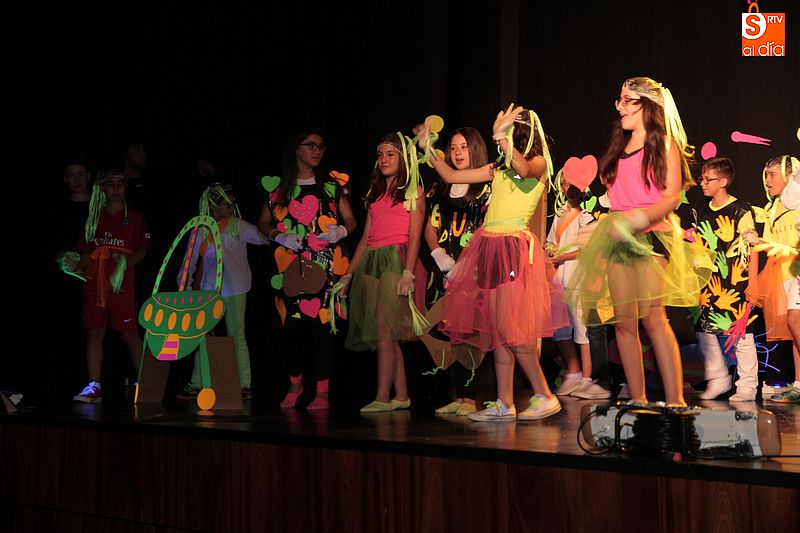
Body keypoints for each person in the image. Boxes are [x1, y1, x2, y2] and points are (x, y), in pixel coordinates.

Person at [567, 77, 710, 406]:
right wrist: (602, 227)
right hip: (619, 241)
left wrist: (636, 219)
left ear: (647, 105)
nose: (620, 107)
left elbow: (670, 197)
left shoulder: (664, 146)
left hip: (651, 236)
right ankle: (639, 400)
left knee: (653, 318)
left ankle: (675, 401)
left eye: (628, 100)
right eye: (619, 100)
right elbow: (617, 201)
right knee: (624, 324)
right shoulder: (618, 150)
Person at [422, 104, 565, 421]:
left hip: (512, 247)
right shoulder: (498, 168)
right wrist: (427, 148)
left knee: (513, 331)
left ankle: (544, 394)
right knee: (498, 332)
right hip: (489, 247)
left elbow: (523, 168)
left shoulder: (538, 163)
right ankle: (504, 403)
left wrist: (501, 137)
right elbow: (451, 175)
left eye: (509, 131)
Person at [258, 130, 356, 410]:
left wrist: (340, 230)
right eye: (310, 145)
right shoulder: (280, 189)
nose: (317, 150)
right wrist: (279, 235)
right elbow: (262, 222)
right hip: (290, 265)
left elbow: (351, 220)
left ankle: (322, 391)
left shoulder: (330, 187)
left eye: (321, 146)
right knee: (292, 328)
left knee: (321, 328)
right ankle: (295, 384)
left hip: (325, 265)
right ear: (296, 148)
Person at [342, 132, 426, 413]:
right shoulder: (374, 193)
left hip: (395, 259)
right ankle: (401, 395)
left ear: (402, 158)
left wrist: (408, 272)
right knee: (385, 333)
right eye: (380, 155)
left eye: (390, 155)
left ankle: (382, 396)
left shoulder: (413, 190)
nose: (384, 160)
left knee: (384, 329)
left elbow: (415, 237)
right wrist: (348, 273)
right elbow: (365, 238)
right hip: (371, 260)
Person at [178, 183, 269, 400]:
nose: (231, 207)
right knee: (203, 336)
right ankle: (198, 383)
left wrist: (278, 231)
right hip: (209, 291)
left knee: (237, 335)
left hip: (235, 288)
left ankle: (244, 383)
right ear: (213, 205)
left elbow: (262, 237)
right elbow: (188, 261)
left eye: (232, 204)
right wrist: (185, 287)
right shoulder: (201, 229)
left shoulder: (237, 226)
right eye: (226, 204)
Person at [423, 127, 491, 416]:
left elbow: (487, 227)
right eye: (452, 148)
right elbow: (431, 225)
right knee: (451, 329)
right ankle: (458, 394)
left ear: (475, 149)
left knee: (471, 332)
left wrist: (468, 263)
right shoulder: (440, 187)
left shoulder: (485, 187)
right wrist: (438, 253)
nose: (458, 153)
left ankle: (470, 397)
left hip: (473, 269)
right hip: (445, 269)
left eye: (463, 147)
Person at [70, 171, 151, 402]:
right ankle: (94, 387)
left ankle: (146, 382)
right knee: (94, 332)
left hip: (121, 283)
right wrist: (73, 264)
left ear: (126, 186)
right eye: (110, 184)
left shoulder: (134, 216)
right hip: (95, 283)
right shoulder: (95, 217)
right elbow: (83, 253)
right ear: (102, 188)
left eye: (120, 183)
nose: (115, 188)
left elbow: (143, 249)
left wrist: (124, 266)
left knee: (128, 333)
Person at [692, 157, 760, 402]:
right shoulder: (700, 209)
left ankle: (747, 386)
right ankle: (718, 377)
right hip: (709, 280)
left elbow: (752, 248)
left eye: (707, 179)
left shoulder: (740, 210)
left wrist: (753, 283)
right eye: (701, 178)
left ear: (723, 181)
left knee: (742, 333)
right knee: (704, 331)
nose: (702, 183)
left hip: (736, 280)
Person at [546, 171, 610, 399]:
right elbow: (551, 241)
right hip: (559, 279)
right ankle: (574, 372)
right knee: (560, 329)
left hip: (577, 277)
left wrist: (562, 256)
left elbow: (588, 249)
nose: (569, 188)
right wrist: (550, 250)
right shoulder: (559, 215)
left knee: (582, 329)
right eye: (565, 183)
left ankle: (587, 378)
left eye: (573, 184)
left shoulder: (586, 216)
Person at [751, 156, 800, 403]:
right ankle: (798, 384)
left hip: (795, 271)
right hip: (784, 275)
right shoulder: (772, 208)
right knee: (793, 328)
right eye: (765, 175)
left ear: (790, 177)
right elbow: (772, 245)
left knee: (795, 324)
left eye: (772, 174)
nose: (767, 180)